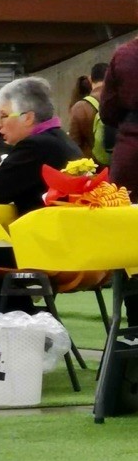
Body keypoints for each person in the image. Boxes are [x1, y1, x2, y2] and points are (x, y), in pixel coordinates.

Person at [0, 76, 81, 314]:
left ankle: (22, 326)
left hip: (52, 253)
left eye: (4, 115)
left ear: (28, 117)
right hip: (74, 247)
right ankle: (29, 322)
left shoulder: (35, 147)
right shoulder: (63, 141)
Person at [100, 34, 138, 327]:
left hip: (132, 152)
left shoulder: (125, 54)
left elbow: (108, 111)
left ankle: (135, 324)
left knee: (129, 238)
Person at [68, 62, 108, 160]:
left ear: (90, 79)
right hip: (124, 163)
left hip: (94, 166)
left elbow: (73, 146)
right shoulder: (123, 99)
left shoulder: (80, 107)